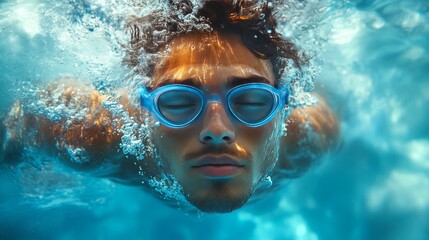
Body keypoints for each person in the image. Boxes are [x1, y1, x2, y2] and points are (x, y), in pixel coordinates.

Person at [0, 0, 339, 213]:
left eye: (251, 101)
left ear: (284, 105)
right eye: (178, 102)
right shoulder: (90, 133)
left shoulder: (311, 137)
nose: (217, 131)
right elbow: (23, 121)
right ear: (143, 110)